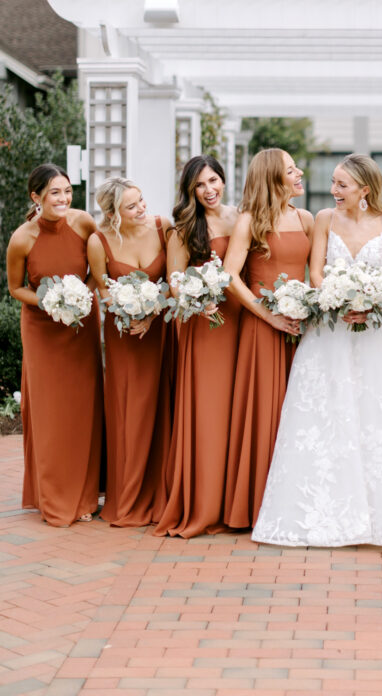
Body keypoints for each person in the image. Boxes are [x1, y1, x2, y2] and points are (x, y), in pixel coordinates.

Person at [252, 153, 382, 548]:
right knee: (326, 412)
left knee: (374, 416)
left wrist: (369, 302)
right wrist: (334, 298)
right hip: (330, 330)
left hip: (376, 334)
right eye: (333, 182)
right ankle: (318, 512)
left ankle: (379, 516)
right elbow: (315, 271)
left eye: (342, 185)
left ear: (365, 190)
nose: (334, 191)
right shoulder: (323, 219)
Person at [6, 164, 103, 527]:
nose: (64, 199)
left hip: (81, 329)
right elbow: (16, 288)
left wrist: (81, 297)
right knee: (50, 414)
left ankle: (85, 495)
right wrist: (50, 303)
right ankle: (52, 498)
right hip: (43, 332)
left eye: (67, 191)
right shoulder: (22, 238)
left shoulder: (83, 223)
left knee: (82, 410)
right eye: (55, 194)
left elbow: (97, 270)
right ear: (36, 198)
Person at [224, 149, 313, 529]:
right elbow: (229, 277)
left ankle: (296, 500)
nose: (299, 173)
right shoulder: (249, 221)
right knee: (266, 413)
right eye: (291, 170)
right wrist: (268, 315)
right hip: (262, 330)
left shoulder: (305, 218)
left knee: (301, 413)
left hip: (301, 328)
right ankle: (257, 504)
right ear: (273, 179)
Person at [155, 156, 239, 538]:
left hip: (239, 322)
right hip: (205, 327)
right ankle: (205, 502)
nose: (210, 190)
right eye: (201, 185)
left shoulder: (240, 217)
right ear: (190, 191)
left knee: (236, 411)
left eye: (214, 180)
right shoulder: (184, 229)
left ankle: (236, 500)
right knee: (209, 412)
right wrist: (197, 299)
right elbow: (175, 281)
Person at [87, 178, 172, 527]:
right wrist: (127, 312)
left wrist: (151, 313)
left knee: (160, 406)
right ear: (112, 213)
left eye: (141, 201)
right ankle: (126, 494)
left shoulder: (162, 227)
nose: (142, 209)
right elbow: (103, 291)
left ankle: (161, 491)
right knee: (128, 410)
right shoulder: (99, 241)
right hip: (123, 336)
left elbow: (174, 280)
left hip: (159, 334)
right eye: (132, 206)